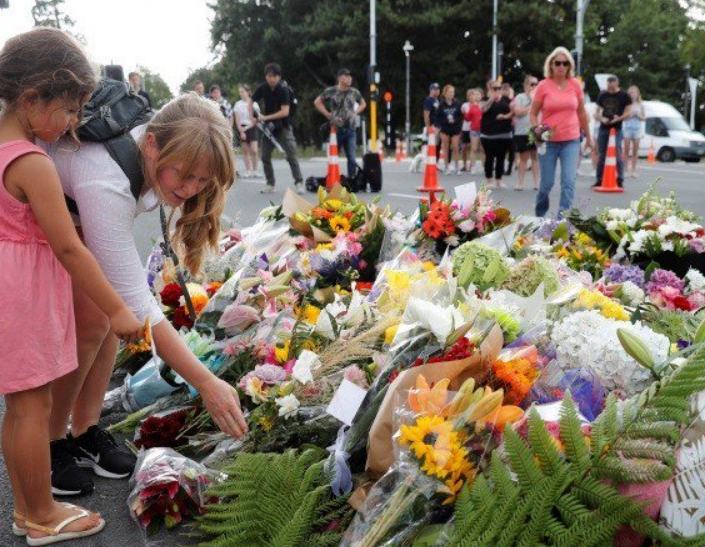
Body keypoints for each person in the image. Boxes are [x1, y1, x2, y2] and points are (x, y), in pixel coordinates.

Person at [43, 92, 248, 498]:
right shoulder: (108, 179)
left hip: (77, 213)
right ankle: (51, 441)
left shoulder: (155, 152)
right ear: (151, 142)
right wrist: (206, 383)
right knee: (94, 322)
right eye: (184, 176)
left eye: (202, 181)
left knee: (105, 318)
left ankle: (85, 429)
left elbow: (129, 304)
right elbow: (137, 302)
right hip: (33, 212)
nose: (190, 190)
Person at [0, 27, 144, 544]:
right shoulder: (32, 162)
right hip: (23, 297)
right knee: (34, 408)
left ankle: (29, 505)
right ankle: (39, 515)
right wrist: (119, 310)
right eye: (67, 109)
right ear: (31, 97)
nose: (70, 125)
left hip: (6, 294)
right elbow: (70, 248)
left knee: (21, 409)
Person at [531, 47, 593, 217]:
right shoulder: (543, 86)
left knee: (568, 182)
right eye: (557, 63)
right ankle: (539, 215)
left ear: (569, 66)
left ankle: (561, 222)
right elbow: (533, 113)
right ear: (550, 64)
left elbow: (581, 113)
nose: (561, 66)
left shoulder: (575, 85)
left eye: (565, 63)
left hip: (571, 140)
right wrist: (536, 130)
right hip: (548, 141)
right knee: (546, 185)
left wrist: (589, 137)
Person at [251, 63, 304, 194]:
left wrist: (264, 118)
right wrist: (253, 115)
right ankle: (270, 183)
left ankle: (299, 182)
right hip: (268, 129)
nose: (271, 79)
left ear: (279, 77)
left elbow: (285, 111)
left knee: (291, 155)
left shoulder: (283, 89)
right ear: (266, 77)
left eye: (274, 76)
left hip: (283, 127)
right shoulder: (263, 88)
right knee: (265, 156)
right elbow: (251, 100)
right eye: (269, 76)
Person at [314, 68, 366, 180]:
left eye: (350, 76)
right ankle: (332, 178)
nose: (349, 78)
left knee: (351, 158)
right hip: (336, 130)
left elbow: (363, 104)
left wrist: (355, 112)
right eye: (346, 76)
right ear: (340, 78)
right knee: (333, 157)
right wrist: (327, 114)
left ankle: (352, 179)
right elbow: (317, 102)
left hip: (351, 129)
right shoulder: (331, 91)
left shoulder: (354, 92)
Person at [593, 76, 631, 188]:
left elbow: (628, 112)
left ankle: (620, 179)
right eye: (609, 87)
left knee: (618, 154)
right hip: (604, 127)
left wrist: (618, 118)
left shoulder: (624, 96)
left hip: (617, 128)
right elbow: (596, 113)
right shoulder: (603, 95)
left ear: (617, 84)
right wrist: (602, 118)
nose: (611, 89)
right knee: (602, 155)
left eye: (613, 87)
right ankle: (599, 179)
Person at [480, 79, 513, 189]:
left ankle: (498, 180)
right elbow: (483, 109)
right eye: (495, 88)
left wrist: (504, 116)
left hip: (504, 133)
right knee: (489, 157)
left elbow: (512, 112)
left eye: (499, 88)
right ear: (489, 88)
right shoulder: (485, 99)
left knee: (501, 157)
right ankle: (489, 179)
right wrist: (491, 99)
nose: (498, 90)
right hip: (488, 134)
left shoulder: (506, 99)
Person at [512, 75, 539, 190]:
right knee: (523, 157)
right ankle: (521, 183)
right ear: (526, 85)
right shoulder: (520, 97)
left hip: (536, 130)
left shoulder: (539, 97)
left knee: (535, 157)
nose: (534, 86)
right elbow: (518, 112)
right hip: (522, 131)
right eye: (532, 84)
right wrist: (531, 104)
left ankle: (537, 183)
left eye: (536, 84)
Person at [234, 84, 261, 178]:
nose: (241, 94)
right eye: (240, 92)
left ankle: (256, 170)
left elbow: (256, 119)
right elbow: (237, 119)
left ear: (248, 92)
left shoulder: (254, 104)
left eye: (243, 92)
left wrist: (247, 127)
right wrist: (241, 131)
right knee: (245, 151)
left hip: (252, 127)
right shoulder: (238, 104)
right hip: (242, 127)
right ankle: (248, 170)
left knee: (254, 150)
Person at [435, 84, 463, 175]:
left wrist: (455, 121)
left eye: (453, 92)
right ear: (445, 93)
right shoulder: (441, 105)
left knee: (455, 147)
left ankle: (457, 167)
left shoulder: (457, 104)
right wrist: (445, 121)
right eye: (450, 92)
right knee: (445, 147)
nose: (452, 94)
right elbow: (438, 117)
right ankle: (447, 166)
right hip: (445, 128)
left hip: (455, 128)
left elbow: (460, 116)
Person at [623, 85, 645, 178]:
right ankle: (625, 170)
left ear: (638, 94)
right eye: (631, 92)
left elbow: (644, 117)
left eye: (634, 92)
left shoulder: (641, 105)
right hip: (628, 128)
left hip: (637, 129)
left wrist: (638, 115)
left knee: (635, 151)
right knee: (626, 150)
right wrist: (630, 114)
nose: (633, 94)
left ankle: (633, 170)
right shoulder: (626, 104)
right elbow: (623, 117)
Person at [423, 82, 441, 160]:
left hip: (440, 125)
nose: (436, 91)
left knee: (438, 145)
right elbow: (426, 115)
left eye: (437, 89)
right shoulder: (428, 100)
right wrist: (428, 127)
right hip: (433, 125)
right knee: (433, 144)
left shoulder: (438, 100)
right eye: (434, 89)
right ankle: (431, 160)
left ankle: (435, 162)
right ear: (430, 90)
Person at [501, 82, 516, 175]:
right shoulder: (500, 101)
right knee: (501, 149)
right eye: (505, 90)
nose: (507, 91)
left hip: (511, 126)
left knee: (511, 148)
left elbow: (514, 112)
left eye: (508, 90)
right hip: (501, 127)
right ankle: (501, 168)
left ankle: (509, 168)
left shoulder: (512, 101)